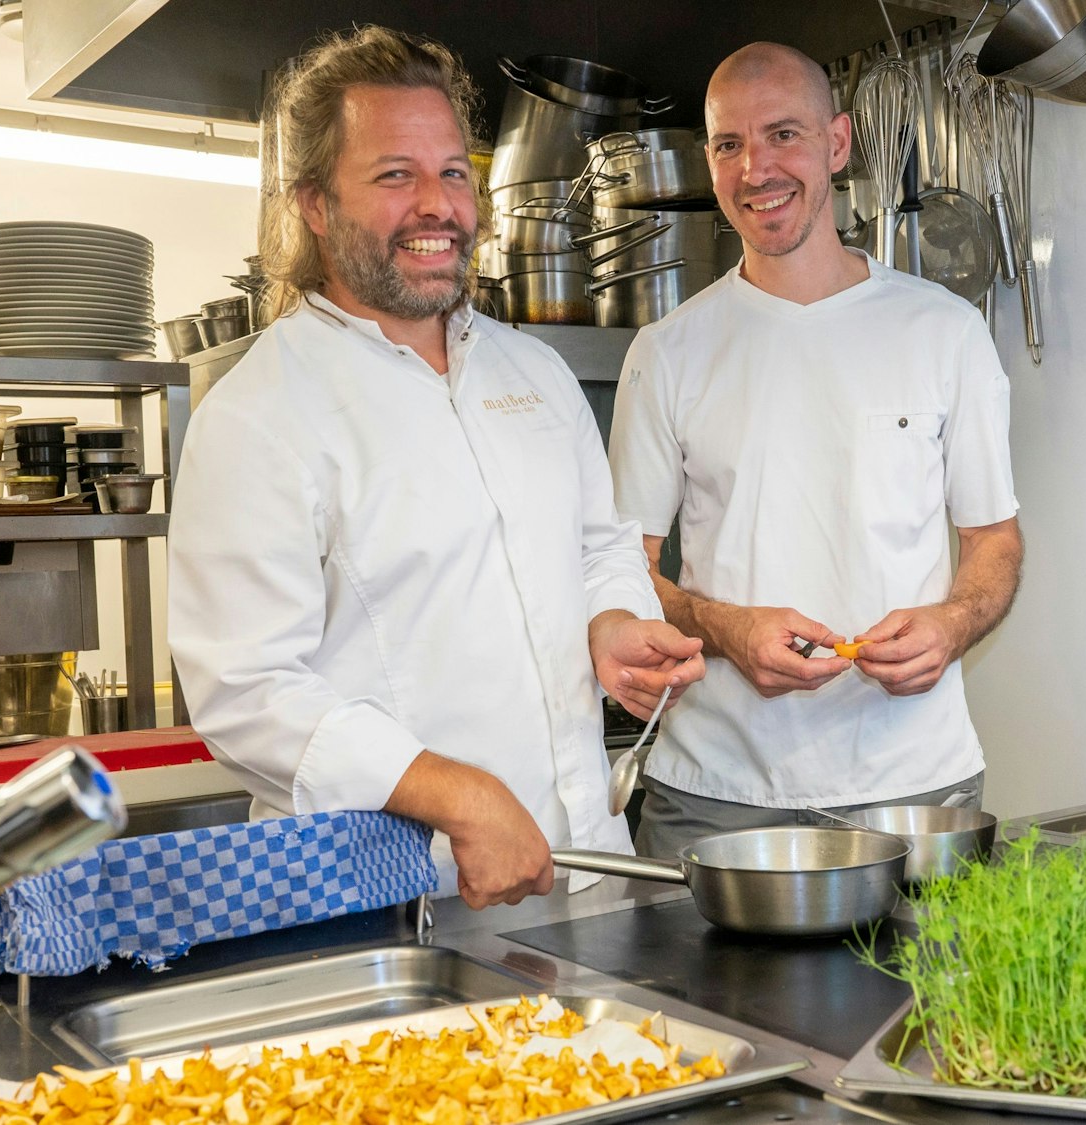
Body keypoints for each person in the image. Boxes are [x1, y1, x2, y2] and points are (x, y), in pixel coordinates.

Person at [168, 25, 703, 908]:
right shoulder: (259, 413)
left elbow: (599, 546)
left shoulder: (532, 372)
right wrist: (452, 790)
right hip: (394, 901)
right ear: (312, 203)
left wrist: (614, 622)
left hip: (588, 876)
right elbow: (244, 690)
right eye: (394, 175)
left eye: (454, 172)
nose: (438, 204)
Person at [607, 42, 1022, 859]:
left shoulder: (945, 331)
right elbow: (622, 568)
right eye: (729, 144)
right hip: (717, 792)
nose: (756, 167)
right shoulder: (667, 352)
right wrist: (726, 628)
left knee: (926, 992)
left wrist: (950, 623)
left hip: (914, 784)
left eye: (783, 135)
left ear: (836, 144)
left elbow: (994, 542)